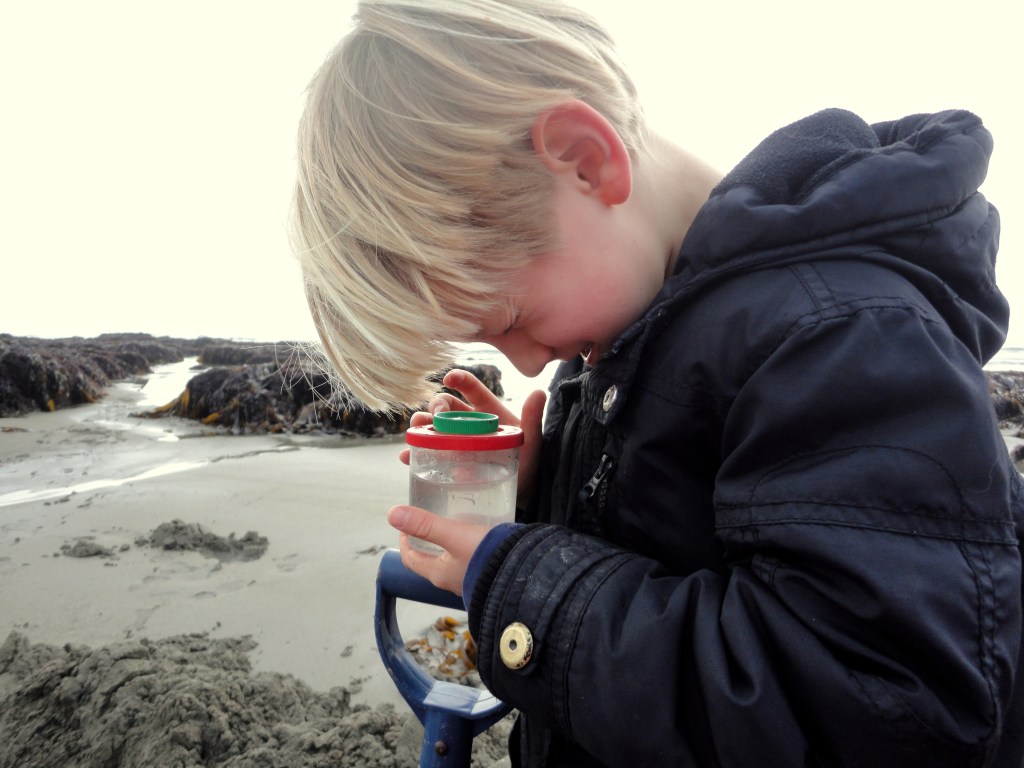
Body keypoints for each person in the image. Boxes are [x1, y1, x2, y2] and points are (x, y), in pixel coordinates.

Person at [291, 1, 1024, 765]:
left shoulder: (843, 335)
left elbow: (880, 707)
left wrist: (519, 580)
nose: (530, 363)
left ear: (584, 159)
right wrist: (536, 504)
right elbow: (659, 549)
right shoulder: (621, 333)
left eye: (512, 317)